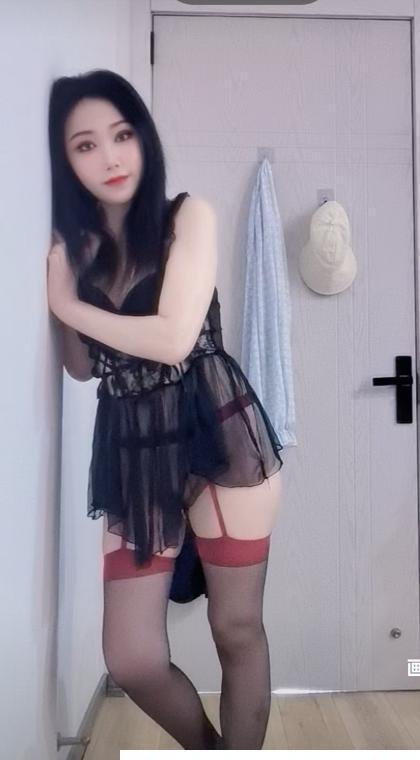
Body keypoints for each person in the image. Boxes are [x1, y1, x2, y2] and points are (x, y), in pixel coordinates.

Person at [46, 69, 284, 751]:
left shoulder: (187, 216)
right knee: (132, 658)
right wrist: (68, 287)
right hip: (132, 445)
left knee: (235, 629)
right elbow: (83, 367)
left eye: (121, 135)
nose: (109, 156)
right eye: (85, 145)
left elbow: (175, 338)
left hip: (217, 432)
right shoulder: (81, 249)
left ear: (143, 139)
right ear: (66, 162)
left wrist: (66, 304)